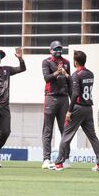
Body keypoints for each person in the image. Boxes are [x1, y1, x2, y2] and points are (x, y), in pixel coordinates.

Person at [53, 50, 99, 171]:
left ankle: (59, 163)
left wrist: (69, 111)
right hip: (88, 109)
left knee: (66, 136)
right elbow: (77, 82)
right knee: (93, 137)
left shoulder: (77, 75)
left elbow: (76, 92)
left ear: (75, 62)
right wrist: (67, 75)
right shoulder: (90, 74)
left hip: (78, 108)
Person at [41, 40, 72, 169]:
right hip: (51, 97)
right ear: (51, 50)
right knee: (48, 130)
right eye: (55, 49)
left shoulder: (67, 63)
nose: (58, 51)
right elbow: (46, 78)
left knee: (65, 130)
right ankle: (46, 159)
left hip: (64, 98)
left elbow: (70, 82)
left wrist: (72, 102)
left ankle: (66, 158)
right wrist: (57, 73)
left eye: (60, 49)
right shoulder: (46, 62)